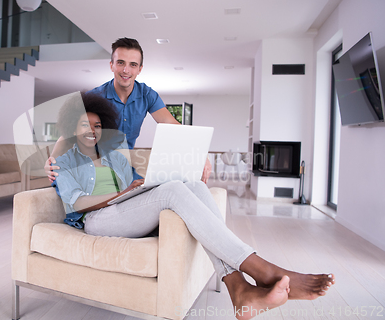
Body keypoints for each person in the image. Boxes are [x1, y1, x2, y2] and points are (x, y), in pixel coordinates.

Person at [53, 92, 335, 320]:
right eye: (84, 126)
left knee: (195, 185)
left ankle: (238, 289)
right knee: (173, 190)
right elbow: (77, 203)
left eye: (98, 125)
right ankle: (263, 270)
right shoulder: (64, 161)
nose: (92, 130)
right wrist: (127, 191)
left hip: (124, 209)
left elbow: (137, 187)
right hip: (96, 220)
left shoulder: (114, 157)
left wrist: (150, 181)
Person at [44, 37, 212, 183]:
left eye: (133, 65)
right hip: (92, 166)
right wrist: (51, 161)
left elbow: (171, 124)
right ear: (111, 65)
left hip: (123, 166)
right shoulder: (95, 97)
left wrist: (199, 153)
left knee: (149, 191)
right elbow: (68, 134)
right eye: (121, 63)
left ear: (140, 69)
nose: (126, 70)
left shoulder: (147, 95)